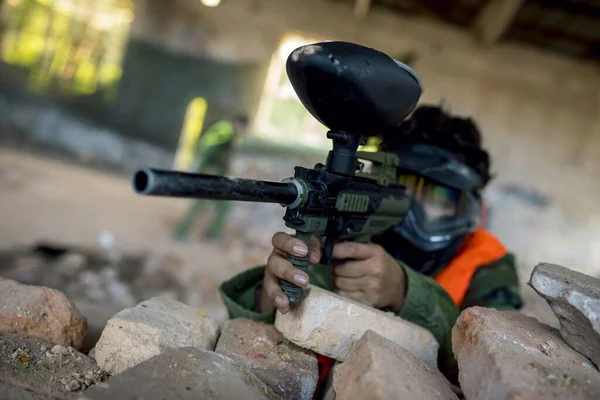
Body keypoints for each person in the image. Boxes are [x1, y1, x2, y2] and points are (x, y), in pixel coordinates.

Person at [218, 105, 523, 388]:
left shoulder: (488, 263)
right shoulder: (351, 236)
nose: (414, 213)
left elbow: (499, 367)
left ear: (470, 210)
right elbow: (260, 349)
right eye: (401, 190)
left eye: (438, 199)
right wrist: (269, 297)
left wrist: (406, 293)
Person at [173, 115, 249, 241]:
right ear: (239, 124)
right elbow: (208, 149)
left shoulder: (231, 134)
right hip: (209, 173)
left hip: (216, 174)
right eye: (243, 128)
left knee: (224, 204)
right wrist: (204, 170)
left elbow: (224, 156)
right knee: (200, 203)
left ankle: (212, 233)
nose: (243, 131)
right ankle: (181, 232)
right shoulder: (225, 131)